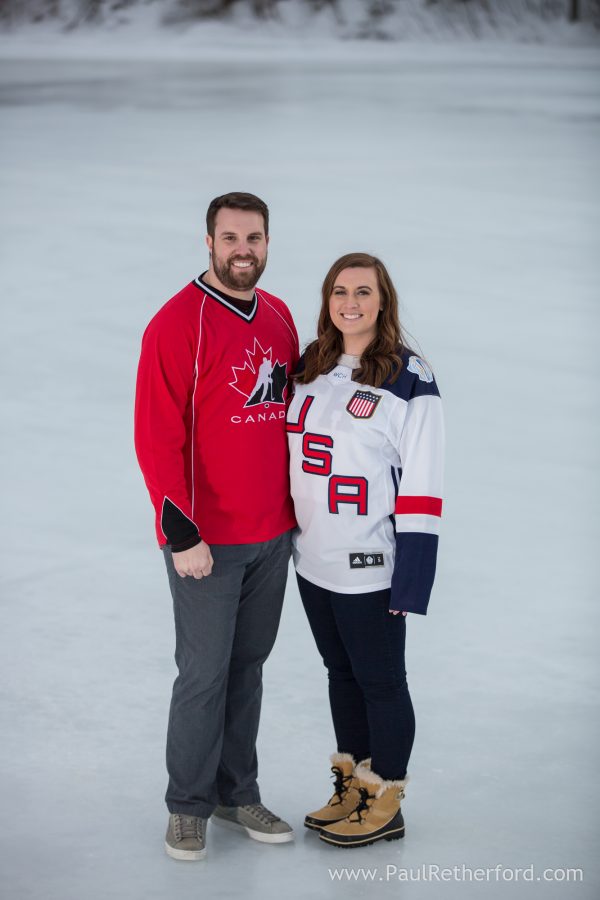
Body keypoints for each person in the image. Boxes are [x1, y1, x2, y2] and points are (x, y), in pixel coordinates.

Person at [134, 192, 299, 860]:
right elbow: (155, 436)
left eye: (254, 238)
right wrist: (182, 534)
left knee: (248, 668)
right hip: (208, 542)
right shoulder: (178, 324)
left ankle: (236, 792)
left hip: (272, 534)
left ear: (267, 242)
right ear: (209, 243)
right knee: (203, 673)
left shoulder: (280, 316)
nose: (243, 250)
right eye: (230, 238)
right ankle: (188, 805)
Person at [286, 252, 444, 849]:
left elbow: (425, 485)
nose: (350, 302)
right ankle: (352, 788)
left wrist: (412, 579)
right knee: (340, 675)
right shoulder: (311, 363)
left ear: (384, 301)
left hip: (371, 564)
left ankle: (389, 799)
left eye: (363, 292)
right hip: (313, 561)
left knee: (381, 682)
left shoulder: (409, 377)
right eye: (339, 291)